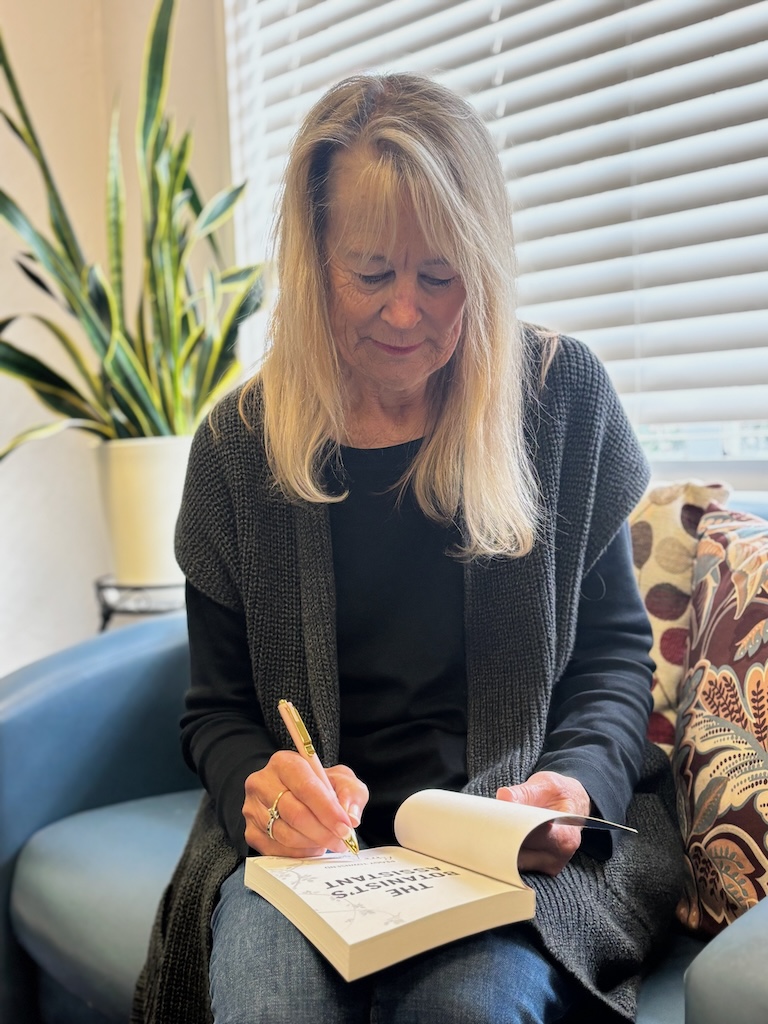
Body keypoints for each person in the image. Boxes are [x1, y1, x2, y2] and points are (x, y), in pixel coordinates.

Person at [131, 72, 683, 1024]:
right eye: (372, 273)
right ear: (314, 258)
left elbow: (612, 662)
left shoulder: (560, 400)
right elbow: (216, 712)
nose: (404, 315)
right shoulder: (236, 449)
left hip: (500, 850)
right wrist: (257, 789)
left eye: (441, 277)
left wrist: (575, 785)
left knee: (472, 1010)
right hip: (316, 864)